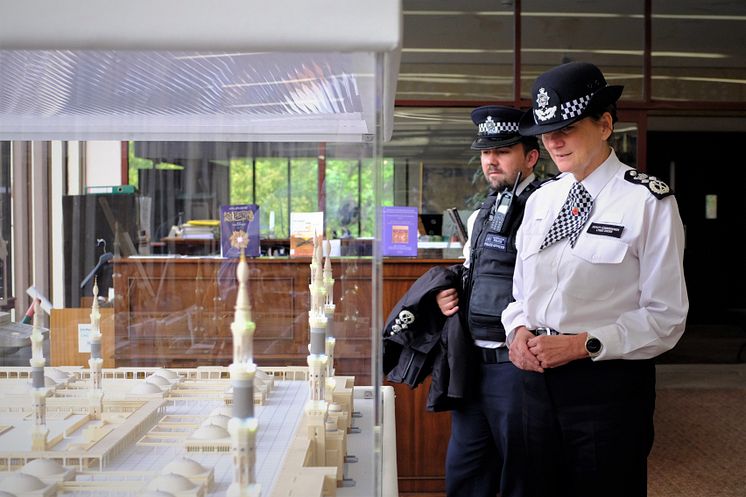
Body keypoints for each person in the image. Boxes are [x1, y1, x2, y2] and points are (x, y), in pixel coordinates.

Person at [502, 61, 689, 497]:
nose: (553, 141)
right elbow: (519, 295)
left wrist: (580, 343)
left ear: (605, 124)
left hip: (605, 386)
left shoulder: (647, 201)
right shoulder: (542, 200)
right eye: (546, 133)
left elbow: (666, 318)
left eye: (566, 127)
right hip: (533, 382)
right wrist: (517, 330)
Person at [435, 105, 542, 497]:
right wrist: (451, 296)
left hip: (517, 369)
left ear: (530, 156)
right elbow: (475, 273)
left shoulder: (544, 208)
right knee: (464, 475)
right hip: (473, 366)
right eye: (485, 152)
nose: (491, 160)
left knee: (521, 477)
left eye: (502, 151)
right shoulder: (483, 212)